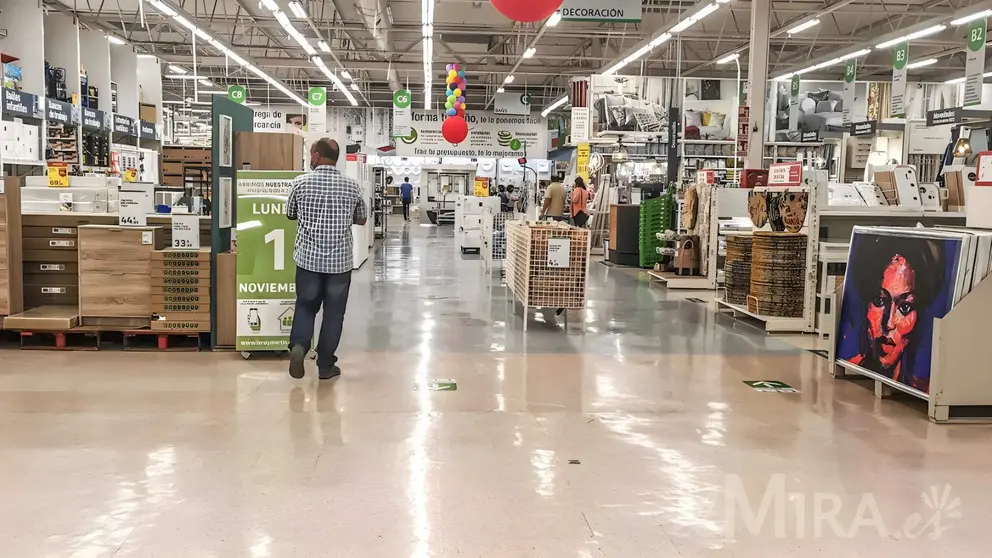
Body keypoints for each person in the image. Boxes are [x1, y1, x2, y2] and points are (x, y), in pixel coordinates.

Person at [286, 138, 367, 380]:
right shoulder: (351, 186)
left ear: (317, 155)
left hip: (308, 260)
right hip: (339, 263)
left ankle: (299, 347)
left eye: (311, 154)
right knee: (334, 313)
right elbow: (362, 218)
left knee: (305, 305)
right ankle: (325, 365)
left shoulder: (300, 183)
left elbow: (290, 213)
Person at [842, 235, 944, 393]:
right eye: (879, 301)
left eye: (905, 308)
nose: (888, 323)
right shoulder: (846, 369)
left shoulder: (926, 391)